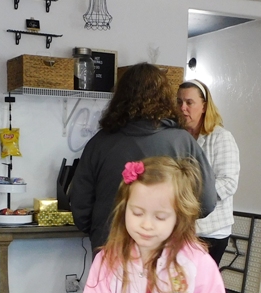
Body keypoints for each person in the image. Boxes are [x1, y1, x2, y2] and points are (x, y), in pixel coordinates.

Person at [81, 157, 228, 293]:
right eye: (137, 213)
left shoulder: (196, 261)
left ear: (179, 217)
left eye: (160, 217)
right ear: (124, 208)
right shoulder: (107, 260)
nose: (146, 225)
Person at [69, 63, 216, 251]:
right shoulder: (183, 142)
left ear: (120, 97)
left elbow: (80, 205)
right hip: (165, 249)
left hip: (110, 246)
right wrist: (173, 221)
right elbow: (207, 202)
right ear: (165, 97)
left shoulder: (98, 143)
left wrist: (100, 230)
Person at [177, 80, 240, 266]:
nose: (183, 108)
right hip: (184, 229)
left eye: (189, 102)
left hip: (212, 230)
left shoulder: (221, 137)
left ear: (204, 106)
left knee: (201, 282)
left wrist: (191, 196)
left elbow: (228, 182)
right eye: (179, 102)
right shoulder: (179, 137)